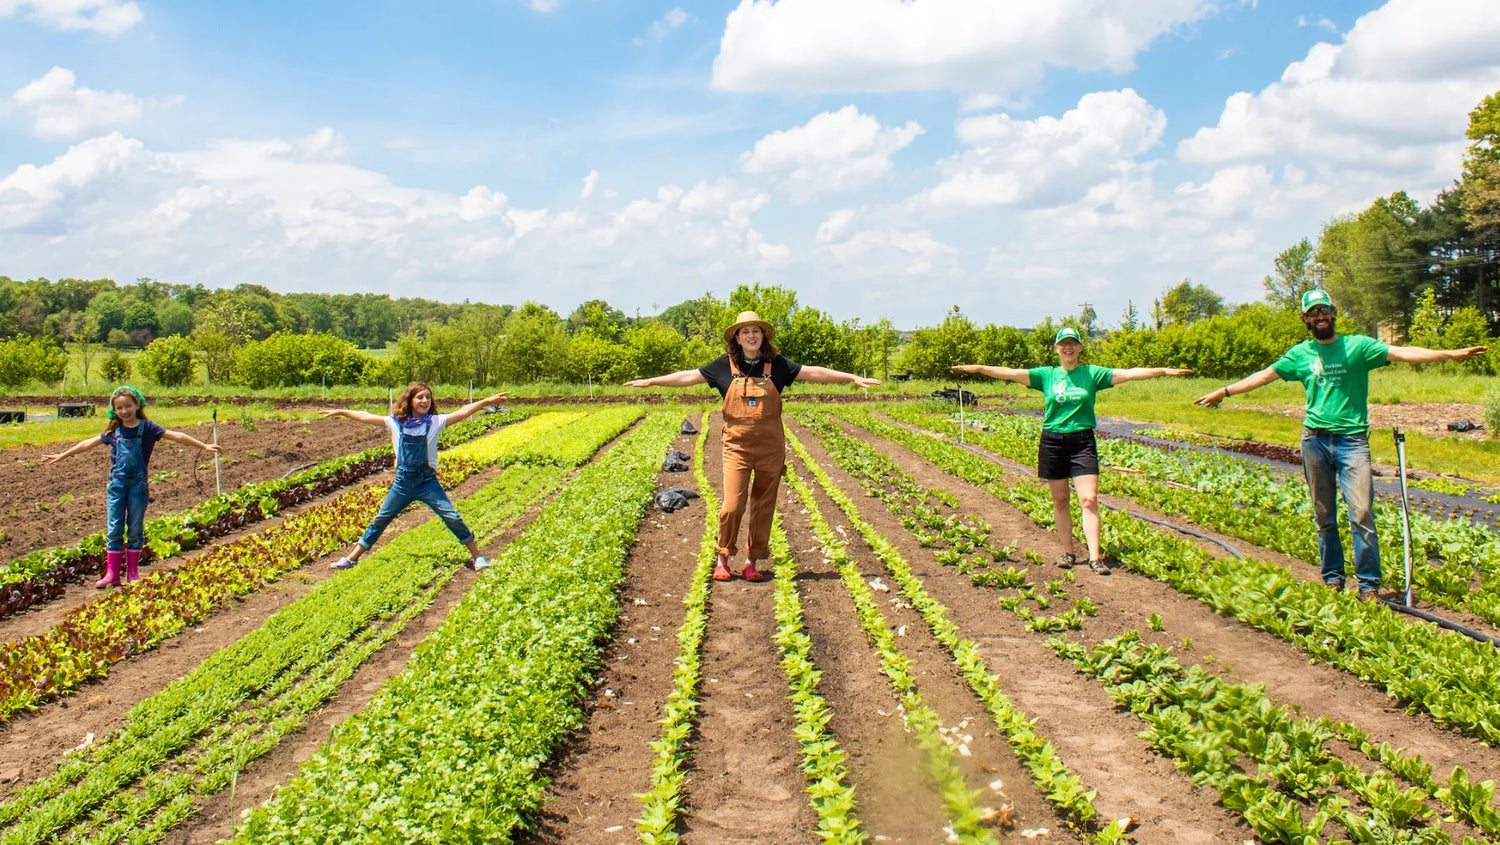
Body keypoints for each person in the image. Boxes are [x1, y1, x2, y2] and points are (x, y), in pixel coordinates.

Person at [1195, 289, 1486, 599]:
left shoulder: (1358, 347)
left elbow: (1404, 352)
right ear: (1305, 319)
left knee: (1361, 513)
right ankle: (1333, 578)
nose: (1320, 316)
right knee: (1324, 515)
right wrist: (1224, 392)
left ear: (1333, 313)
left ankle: (1368, 585)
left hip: (1352, 442)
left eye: (1324, 310)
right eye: (1313, 312)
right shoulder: (1300, 354)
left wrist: (1453, 354)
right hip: (1314, 441)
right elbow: (1264, 376)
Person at [626, 311, 880, 582]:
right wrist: (652, 380)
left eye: (755, 331)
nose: (751, 335)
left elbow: (813, 372)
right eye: (745, 331)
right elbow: (689, 376)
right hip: (737, 446)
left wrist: (851, 377)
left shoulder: (777, 365)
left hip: (771, 447)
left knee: (763, 505)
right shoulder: (724, 366)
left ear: (763, 336)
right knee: (732, 505)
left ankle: (751, 561)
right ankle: (723, 557)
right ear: (736, 337)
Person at [954, 328, 1192, 574]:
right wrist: (980, 368)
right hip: (1052, 442)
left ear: (1080, 348)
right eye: (1063, 344)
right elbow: (1012, 373)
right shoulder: (1047, 375)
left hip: (1082, 442)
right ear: (1057, 348)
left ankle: (1095, 558)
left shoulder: (1093, 374)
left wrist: (1163, 371)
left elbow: (1129, 374)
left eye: (1073, 344)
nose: (1068, 348)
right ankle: (1068, 553)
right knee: (1060, 500)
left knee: (1088, 499)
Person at [42, 386, 223, 588]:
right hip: (117, 487)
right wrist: (62, 455)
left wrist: (204, 446)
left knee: (135, 528)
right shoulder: (114, 432)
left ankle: (133, 573)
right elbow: (87, 444)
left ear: (137, 405)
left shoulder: (148, 428)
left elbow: (176, 436)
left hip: (138, 487)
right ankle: (112, 574)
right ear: (114, 410)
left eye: (128, 406)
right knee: (114, 529)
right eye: (119, 408)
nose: (124, 411)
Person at [322, 383, 510, 572]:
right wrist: (342, 411)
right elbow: (366, 416)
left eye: (428, 397)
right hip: (403, 483)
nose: (424, 401)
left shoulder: (435, 422)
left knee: (451, 517)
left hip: (427, 482)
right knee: (381, 519)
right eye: (419, 397)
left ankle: (478, 557)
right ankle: (352, 558)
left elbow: (462, 412)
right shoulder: (395, 422)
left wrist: (486, 401)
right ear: (410, 400)